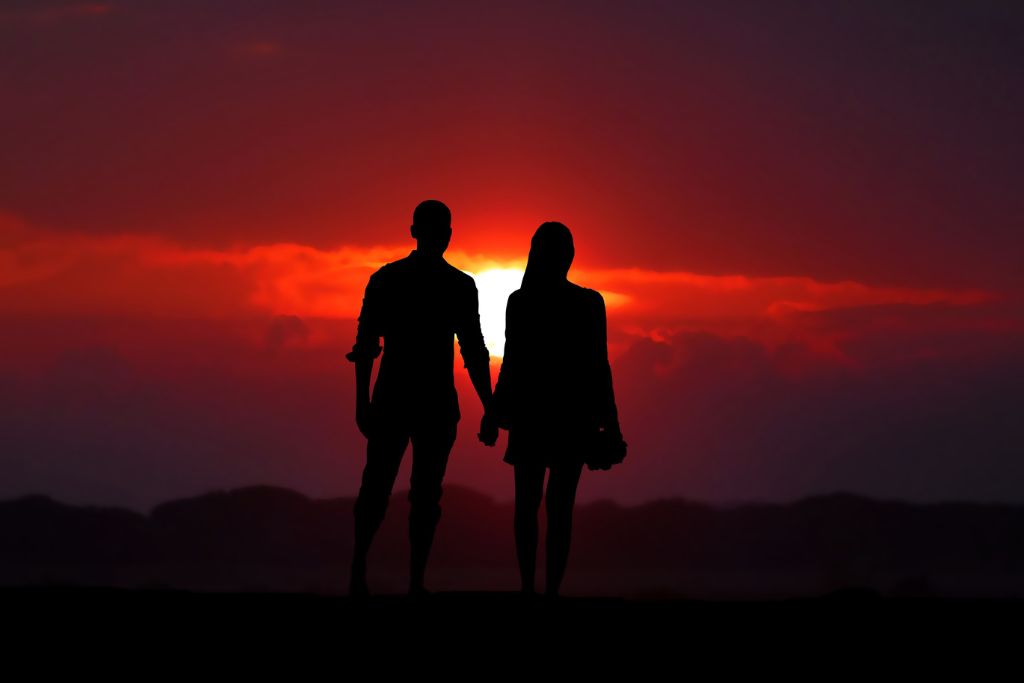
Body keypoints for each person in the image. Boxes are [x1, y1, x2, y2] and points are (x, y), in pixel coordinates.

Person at [346, 199, 493, 597]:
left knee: (387, 490)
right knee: (413, 494)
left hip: (403, 400)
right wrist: (489, 406)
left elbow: (365, 347)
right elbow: (474, 351)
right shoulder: (457, 285)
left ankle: (372, 575)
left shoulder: (387, 279)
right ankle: (401, 580)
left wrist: (363, 403)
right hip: (425, 402)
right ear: (445, 234)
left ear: (415, 232)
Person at [479, 221, 624, 598]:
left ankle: (530, 588)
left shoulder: (521, 301)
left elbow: (512, 365)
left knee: (529, 506)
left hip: (535, 416)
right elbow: (598, 368)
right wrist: (612, 426)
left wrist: (494, 415)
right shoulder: (588, 303)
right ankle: (547, 591)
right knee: (559, 508)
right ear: (568, 256)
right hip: (570, 419)